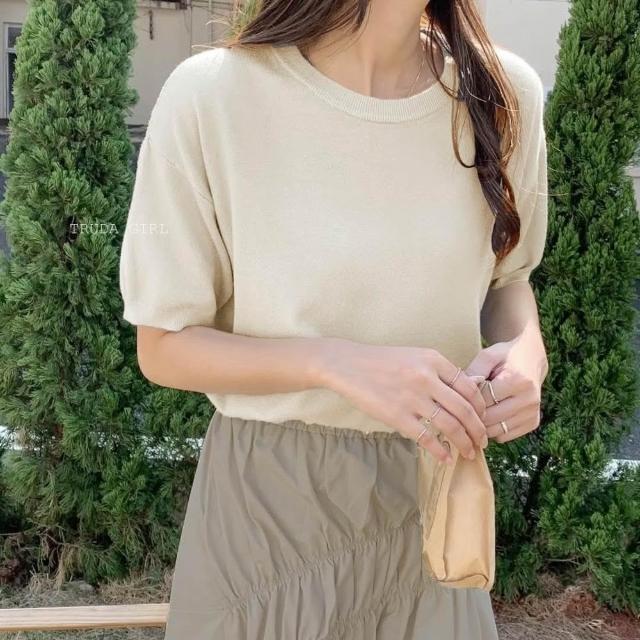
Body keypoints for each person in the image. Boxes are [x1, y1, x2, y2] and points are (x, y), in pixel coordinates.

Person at [118, 0, 549, 637]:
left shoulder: (503, 95)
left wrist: (527, 355)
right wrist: (335, 364)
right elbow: (162, 345)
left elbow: (507, 280)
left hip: (436, 501)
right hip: (268, 515)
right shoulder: (213, 97)